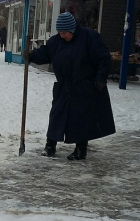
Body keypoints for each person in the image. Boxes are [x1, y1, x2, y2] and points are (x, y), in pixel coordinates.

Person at [26, 12, 115, 161]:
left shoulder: (89, 37)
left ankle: (81, 149)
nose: (62, 36)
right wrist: (31, 55)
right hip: (63, 85)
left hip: (84, 86)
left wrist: (100, 78)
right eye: (60, 33)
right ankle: (50, 146)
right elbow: (45, 53)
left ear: (72, 29)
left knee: (80, 118)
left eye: (65, 33)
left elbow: (104, 58)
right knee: (56, 116)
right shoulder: (55, 42)